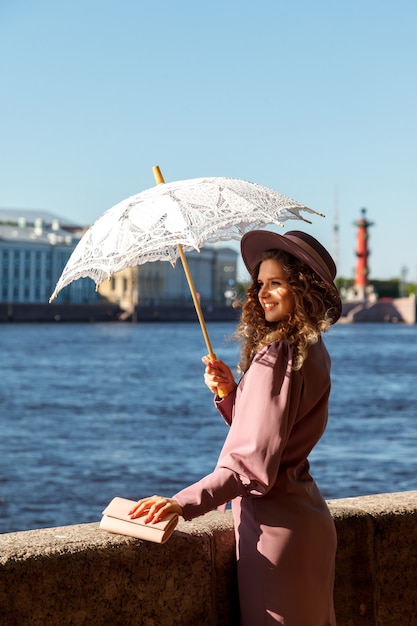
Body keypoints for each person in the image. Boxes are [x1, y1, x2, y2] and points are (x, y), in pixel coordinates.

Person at [129, 229, 342, 626]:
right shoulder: (312, 350)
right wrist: (231, 394)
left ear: (303, 287)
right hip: (308, 522)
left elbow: (250, 462)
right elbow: (273, 436)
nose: (262, 292)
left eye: (276, 282)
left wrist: (182, 503)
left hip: (273, 535)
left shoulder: (276, 353)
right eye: (260, 283)